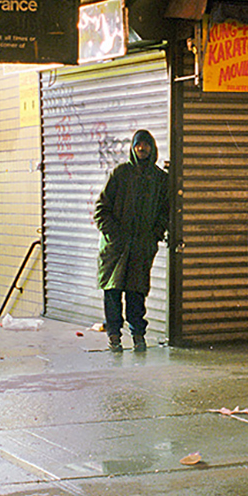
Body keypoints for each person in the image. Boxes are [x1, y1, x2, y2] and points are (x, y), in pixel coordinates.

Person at [93, 128, 170, 353]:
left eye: (145, 145)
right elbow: (101, 210)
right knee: (113, 294)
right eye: (138, 145)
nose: (141, 149)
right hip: (116, 250)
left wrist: (154, 235)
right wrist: (114, 235)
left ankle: (138, 336)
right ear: (133, 148)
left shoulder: (159, 179)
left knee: (136, 294)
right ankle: (114, 336)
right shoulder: (120, 174)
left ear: (152, 148)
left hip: (141, 247)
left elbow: (165, 212)